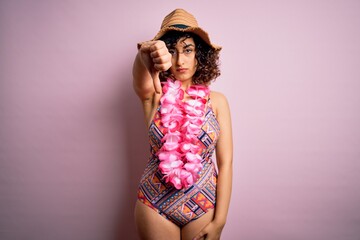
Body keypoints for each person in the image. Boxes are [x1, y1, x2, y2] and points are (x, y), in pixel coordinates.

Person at [132, 8, 233, 240]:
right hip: (154, 203)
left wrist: (220, 221)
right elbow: (140, 79)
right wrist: (144, 54)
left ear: (200, 54)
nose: (180, 60)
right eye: (172, 51)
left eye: (187, 50)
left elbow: (226, 163)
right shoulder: (154, 95)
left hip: (203, 205)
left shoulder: (217, 101)